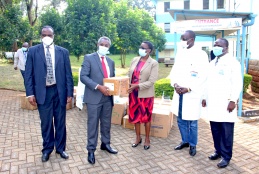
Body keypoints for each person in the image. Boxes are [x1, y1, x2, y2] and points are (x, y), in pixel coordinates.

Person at [24, 26, 74, 162]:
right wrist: (30, 93)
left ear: (53, 36)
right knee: (46, 124)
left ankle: (61, 148)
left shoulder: (63, 52)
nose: (46, 37)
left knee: (60, 122)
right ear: (40, 36)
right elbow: (28, 74)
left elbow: (68, 74)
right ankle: (47, 149)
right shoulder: (33, 51)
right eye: (44, 34)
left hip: (59, 92)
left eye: (49, 35)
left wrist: (70, 92)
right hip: (43, 92)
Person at [202, 38, 242, 168]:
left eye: (218, 45)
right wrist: (204, 97)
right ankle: (218, 151)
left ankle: (226, 156)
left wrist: (233, 100)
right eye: (214, 45)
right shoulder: (212, 62)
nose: (216, 47)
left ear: (226, 48)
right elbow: (207, 82)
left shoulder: (233, 63)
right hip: (213, 103)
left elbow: (237, 83)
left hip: (226, 104)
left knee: (226, 132)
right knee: (215, 130)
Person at [170, 30, 209, 156]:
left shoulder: (201, 54)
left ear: (191, 39)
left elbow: (203, 76)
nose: (182, 40)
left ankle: (193, 144)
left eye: (184, 38)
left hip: (192, 93)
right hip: (179, 93)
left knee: (192, 122)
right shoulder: (180, 53)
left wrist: (189, 88)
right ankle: (184, 141)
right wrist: (175, 84)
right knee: (180, 119)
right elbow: (174, 71)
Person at [80, 36, 117, 165]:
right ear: (98, 44)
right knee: (93, 125)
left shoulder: (111, 61)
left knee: (106, 123)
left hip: (107, 98)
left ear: (109, 47)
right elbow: (83, 76)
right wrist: (98, 86)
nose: (104, 46)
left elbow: (112, 79)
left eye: (106, 45)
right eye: (102, 44)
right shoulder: (89, 58)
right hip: (94, 97)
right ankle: (91, 150)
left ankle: (105, 144)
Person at [128, 41, 158, 150]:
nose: (140, 48)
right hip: (133, 94)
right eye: (140, 46)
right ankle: (137, 138)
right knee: (135, 116)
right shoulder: (134, 60)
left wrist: (137, 86)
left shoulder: (153, 63)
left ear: (149, 50)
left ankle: (147, 139)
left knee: (146, 117)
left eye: (143, 47)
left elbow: (152, 81)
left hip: (146, 94)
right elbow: (129, 75)